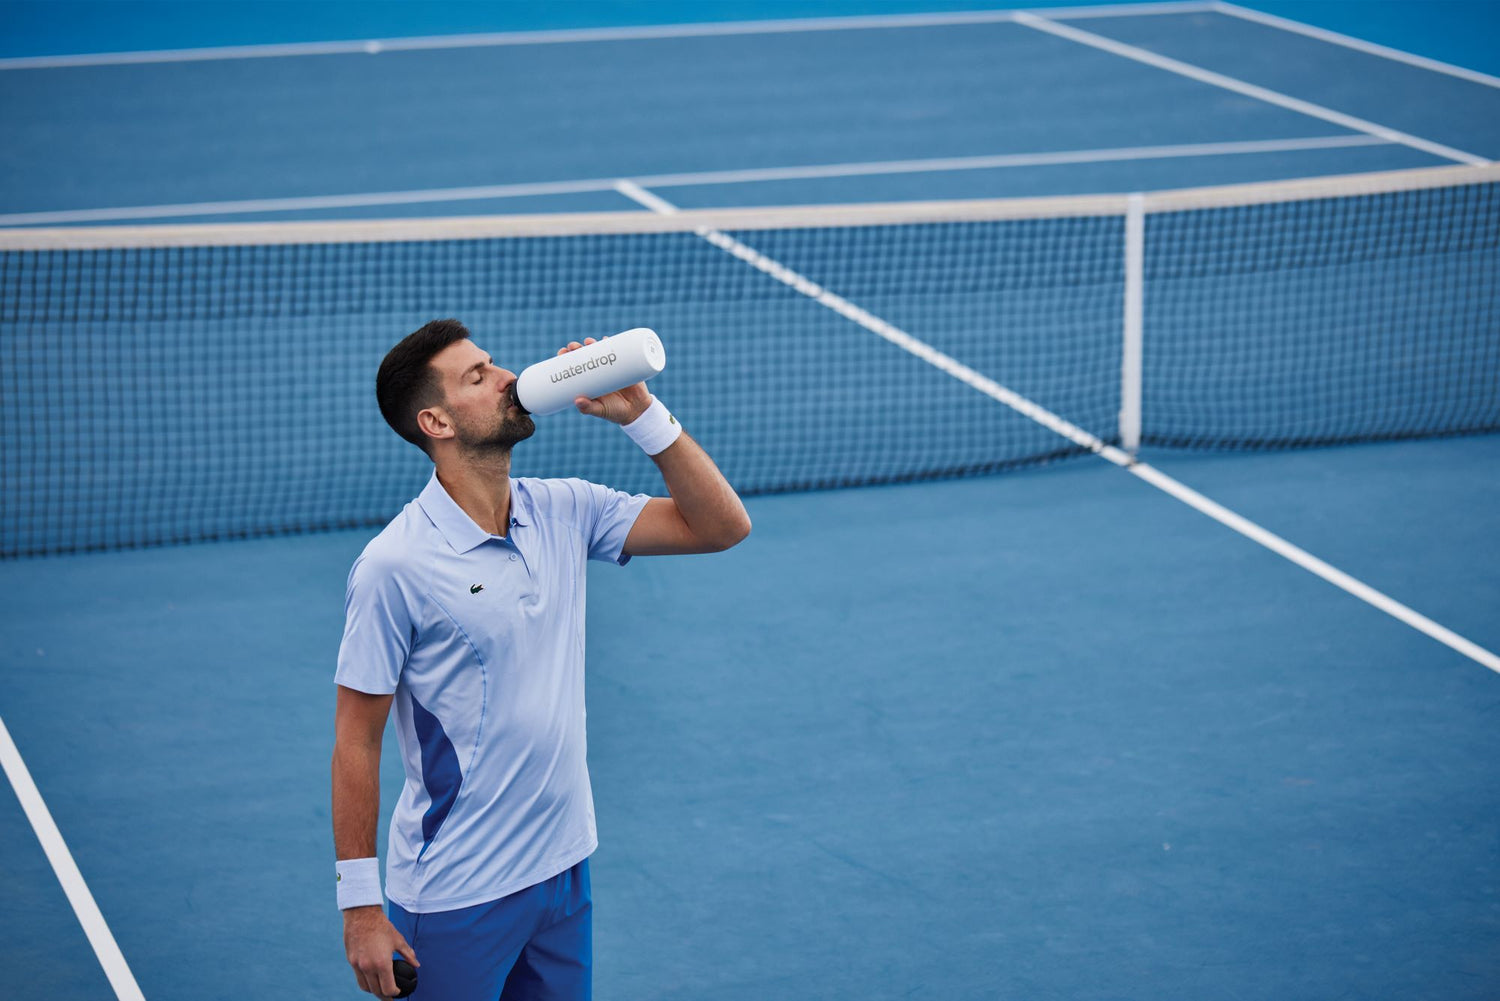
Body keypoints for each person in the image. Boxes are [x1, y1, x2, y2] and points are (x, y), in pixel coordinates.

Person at [331, 319, 750, 1000]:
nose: (508, 377)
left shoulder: (564, 508)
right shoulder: (394, 566)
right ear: (435, 420)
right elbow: (355, 739)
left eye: (493, 363)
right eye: (478, 376)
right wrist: (359, 907)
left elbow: (721, 526)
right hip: (457, 892)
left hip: (563, 870)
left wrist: (642, 415)